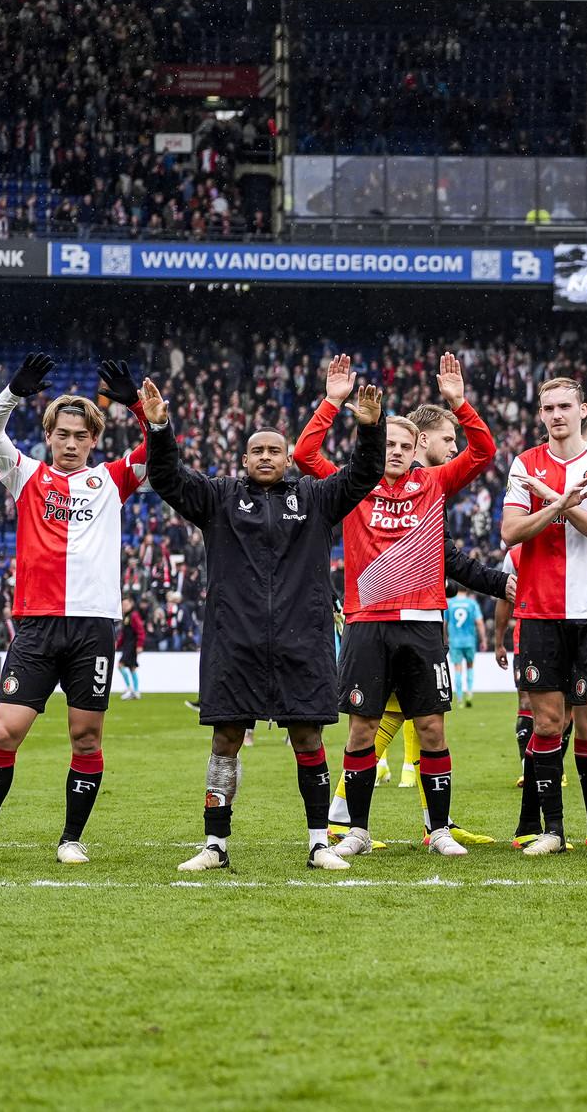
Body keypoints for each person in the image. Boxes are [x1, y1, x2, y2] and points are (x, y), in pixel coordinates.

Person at [141, 373, 385, 872]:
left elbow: (364, 476)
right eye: (258, 451)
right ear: (244, 459)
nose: (268, 457)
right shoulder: (219, 498)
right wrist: (161, 430)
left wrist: (368, 429)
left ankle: (319, 843)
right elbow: (166, 479)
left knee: (309, 740)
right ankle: (215, 845)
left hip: (303, 641)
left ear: (289, 457)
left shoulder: (316, 499)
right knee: (225, 742)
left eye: (276, 450)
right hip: (236, 642)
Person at [0, 355, 149, 868]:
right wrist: (13, 392)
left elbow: (160, 451)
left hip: (93, 627)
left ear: (93, 440)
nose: (70, 442)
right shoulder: (25, 476)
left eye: (80, 435)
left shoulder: (112, 481)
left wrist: (134, 403)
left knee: (86, 738)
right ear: (49, 434)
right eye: (62, 433)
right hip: (37, 625)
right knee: (5, 731)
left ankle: (71, 839)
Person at [295, 353, 496, 860]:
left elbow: (483, 452)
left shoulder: (433, 484)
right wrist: (333, 402)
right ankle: (357, 829)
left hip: (424, 624)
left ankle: (439, 829)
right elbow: (303, 453)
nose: (398, 452)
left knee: (431, 726)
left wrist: (458, 401)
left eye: (406, 446)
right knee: (362, 727)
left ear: (416, 450)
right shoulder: (352, 485)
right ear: (375, 443)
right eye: (389, 443)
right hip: (367, 624)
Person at [502, 376, 587, 856]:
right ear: (540, 414)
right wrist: (559, 502)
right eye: (548, 407)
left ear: (584, 409)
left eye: (565, 406)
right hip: (538, 610)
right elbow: (510, 532)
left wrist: (559, 503)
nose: (557, 414)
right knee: (546, 725)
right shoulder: (524, 464)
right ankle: (554, 831)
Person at [445, 587, 483, 708]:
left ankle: (460, 699)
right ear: (467, 590)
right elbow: (480, 622)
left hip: (455, 641)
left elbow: (444, 623)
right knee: (470, 666)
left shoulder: (450, 603)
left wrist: (445, 638)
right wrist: (484, 639)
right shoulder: (472, 603)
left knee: (457, 668)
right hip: (469, 640)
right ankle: (469, 693)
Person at [116, 595, 146, 702]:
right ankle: (136, 691)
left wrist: (139, 645)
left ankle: (130, 689)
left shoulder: (133, 616)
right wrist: (118, 644)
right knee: (132, 667)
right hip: (128, 646)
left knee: (121, 665)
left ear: (131, 604)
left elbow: (141, 631)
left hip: (131, 646)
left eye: (126, 604)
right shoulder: (127, 616)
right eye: (123, 605)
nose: (124, 607)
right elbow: (124, 634)